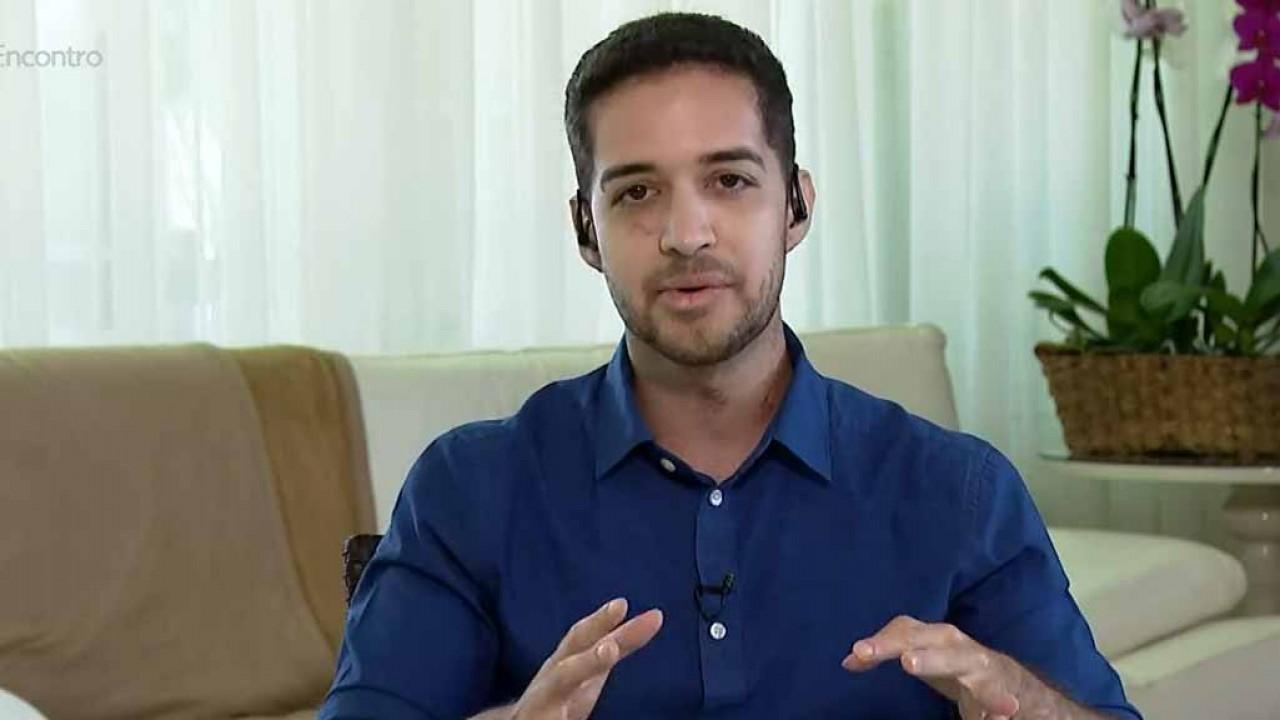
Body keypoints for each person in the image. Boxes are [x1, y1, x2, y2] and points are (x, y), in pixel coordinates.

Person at [319, 12, 1140, 720]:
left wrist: (1020, 696)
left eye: (730, 179)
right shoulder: (470, 490)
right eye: (636, 193)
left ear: (797, 204)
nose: (688, 234)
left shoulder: (960, 493)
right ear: (585, 230)